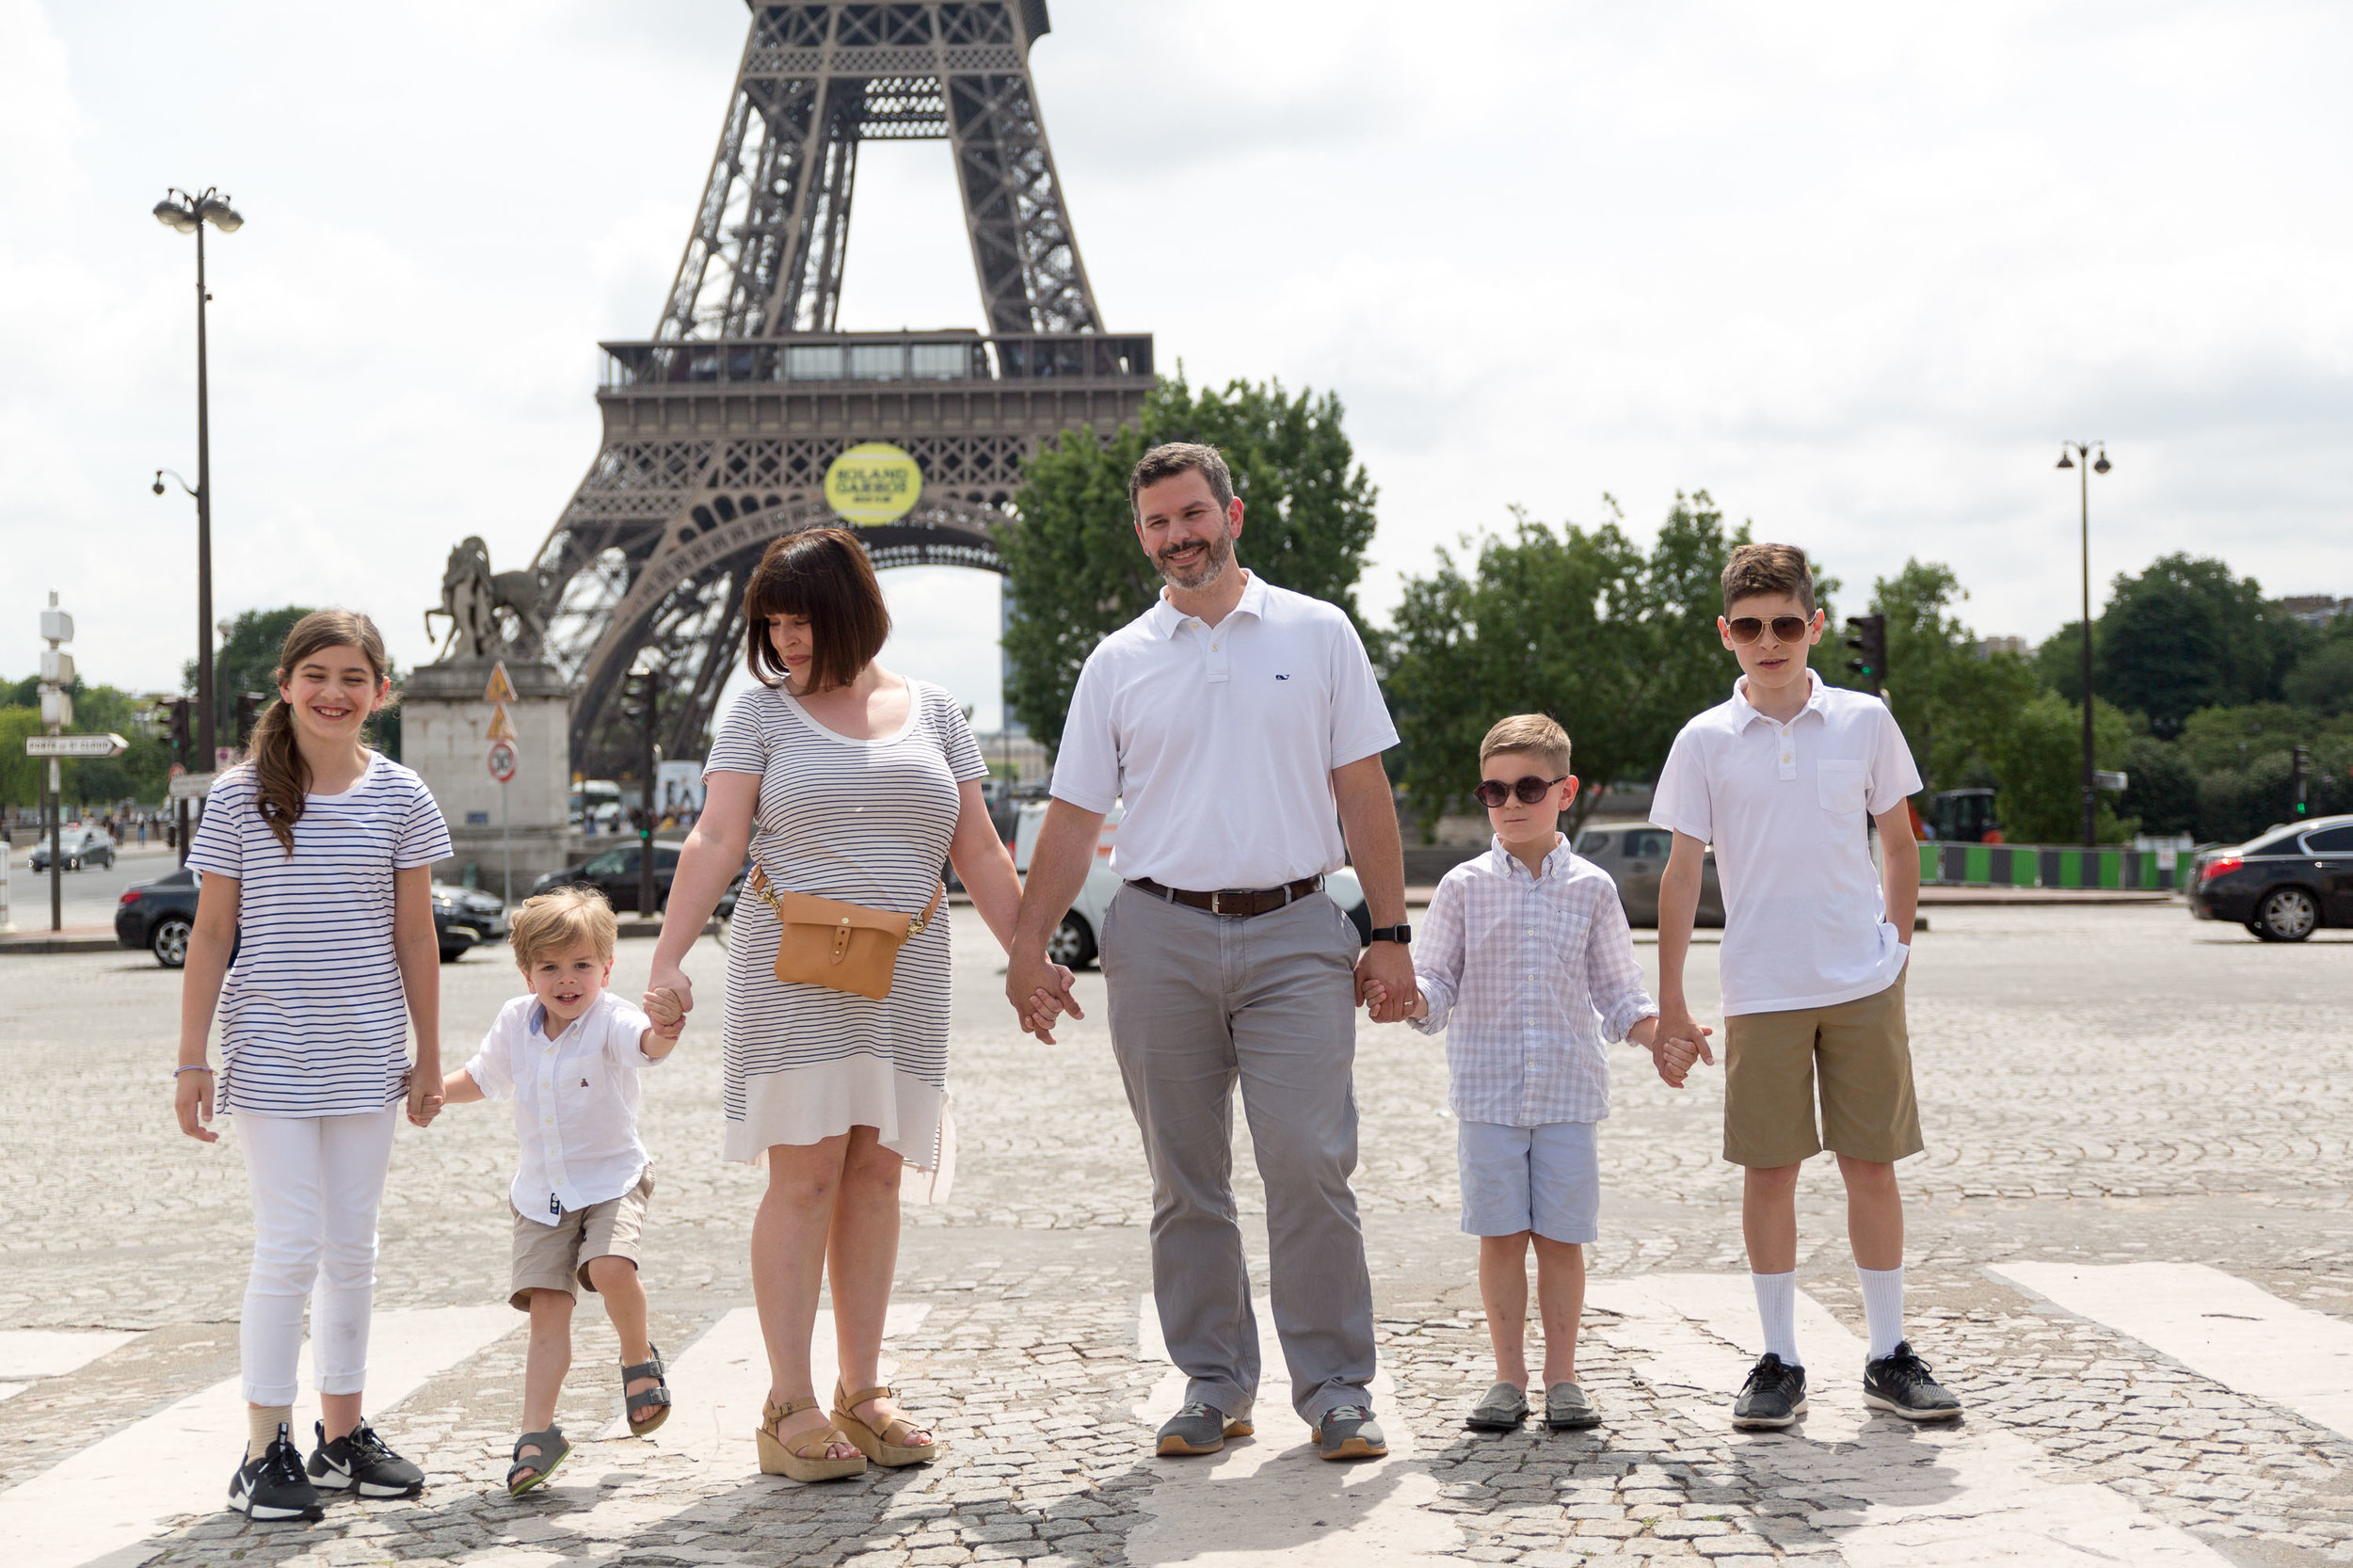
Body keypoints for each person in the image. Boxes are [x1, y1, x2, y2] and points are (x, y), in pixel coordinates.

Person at [1007, 441, 1418, 1464]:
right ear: (1141, 536)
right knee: (1183, 1177)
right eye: (1157, 523)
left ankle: (1333, 1387)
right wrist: (1024, 946)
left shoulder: (1317, 632)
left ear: (1232, 514)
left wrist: (1391, 931)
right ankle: (1213, 1381)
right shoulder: (1117, 661)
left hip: (1294, 929)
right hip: (1156, 930)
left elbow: (1364, 792)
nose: (1177, 535)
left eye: (1193, 514)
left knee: (1311, 1162)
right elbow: (1070, 819)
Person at [648, 527, 1069, 1482]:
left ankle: (863, 1386)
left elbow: (981, 852)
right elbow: (716, 836)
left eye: (802, 620)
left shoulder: (937, 710)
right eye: (772, 623)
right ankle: (787, 1398)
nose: (786, 640)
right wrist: (667, 957)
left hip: (908, 964)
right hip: (792, 964)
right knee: (803, 1177)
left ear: (852, 612)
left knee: (877, 1173)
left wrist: (1028, 959)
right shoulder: (758, 712)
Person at [1651, 543, 1961, 1429]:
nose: (1770, 640)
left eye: (1787, 623)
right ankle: (1779, 1359)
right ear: (1726, 635)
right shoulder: (1704, 739)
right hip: (1760, 984)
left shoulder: (1864, 721)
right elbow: (1681, 873)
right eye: (1750, 626)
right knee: (1770, 1170)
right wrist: (1672, 998)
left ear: (1814, 624)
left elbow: (1899, 842)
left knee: (1872, 1163)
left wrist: (1895, 947)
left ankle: (1888, 1353)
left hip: (1860, 979)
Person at [172, 610, 451, 1521]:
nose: (336, 693)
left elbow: (418, 934)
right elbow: (212, 934)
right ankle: (263, 1450)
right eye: (318, 675)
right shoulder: (240, 794)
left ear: (381, 691)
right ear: (286, 684)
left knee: (354, 1250)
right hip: (275, 1053)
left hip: (369, 1054)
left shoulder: (403, 795)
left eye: (355, 678)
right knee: (290, 1246)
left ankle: (340, 1436)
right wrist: (190, 1059)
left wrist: (428, 1057)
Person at [1366, 714, 1702, 1433]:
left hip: (1568, 1096)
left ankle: (1564, 1377)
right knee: (1499, 1238)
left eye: (1527, 787)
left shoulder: (1593, 889)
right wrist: (1410, 1000)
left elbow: (1620, 994)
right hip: (1485, 1096)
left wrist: (1660, 1036)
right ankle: (1508, 1377)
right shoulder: (1459, 887)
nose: (1510, 803)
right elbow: (1437, 984)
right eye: (1493, 790)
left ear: (1565, 791)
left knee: (1561, 1240)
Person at [440, 887, 688, 1495]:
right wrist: (430, 1092)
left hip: (611, 1181)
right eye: (549, 967)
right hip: (540, 1195)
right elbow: (483, 1077)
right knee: (547, 1313)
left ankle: (637, 1358)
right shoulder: (514, 1023)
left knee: (607, 1266)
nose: (567, 980)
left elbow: (646, 1046)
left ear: (607, 967)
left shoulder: (611, 1018)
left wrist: (667, 1026)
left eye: (582, 965)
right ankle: (538, 1432)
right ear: (527, 973)